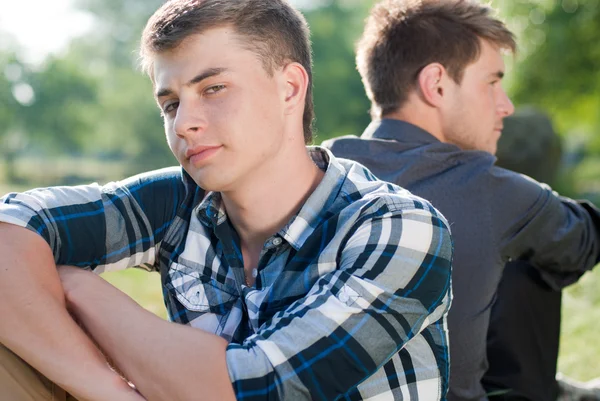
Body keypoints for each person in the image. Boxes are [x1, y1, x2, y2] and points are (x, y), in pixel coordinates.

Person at [0, 1, 453, 400]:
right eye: (171, 104)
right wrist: (108, 389)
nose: (183, 125)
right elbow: (10, 226)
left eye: (213, 88)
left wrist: (79, 289)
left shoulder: (401, 228)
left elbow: (262, 390)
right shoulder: (180, 200)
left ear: (289, 88)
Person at [322, 1, 600, 400]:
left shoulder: (319, 169)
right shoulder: (488, 187)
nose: (506, 105)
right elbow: (584, 243)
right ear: (436, 84)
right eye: (491, 82)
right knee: (531, 244)